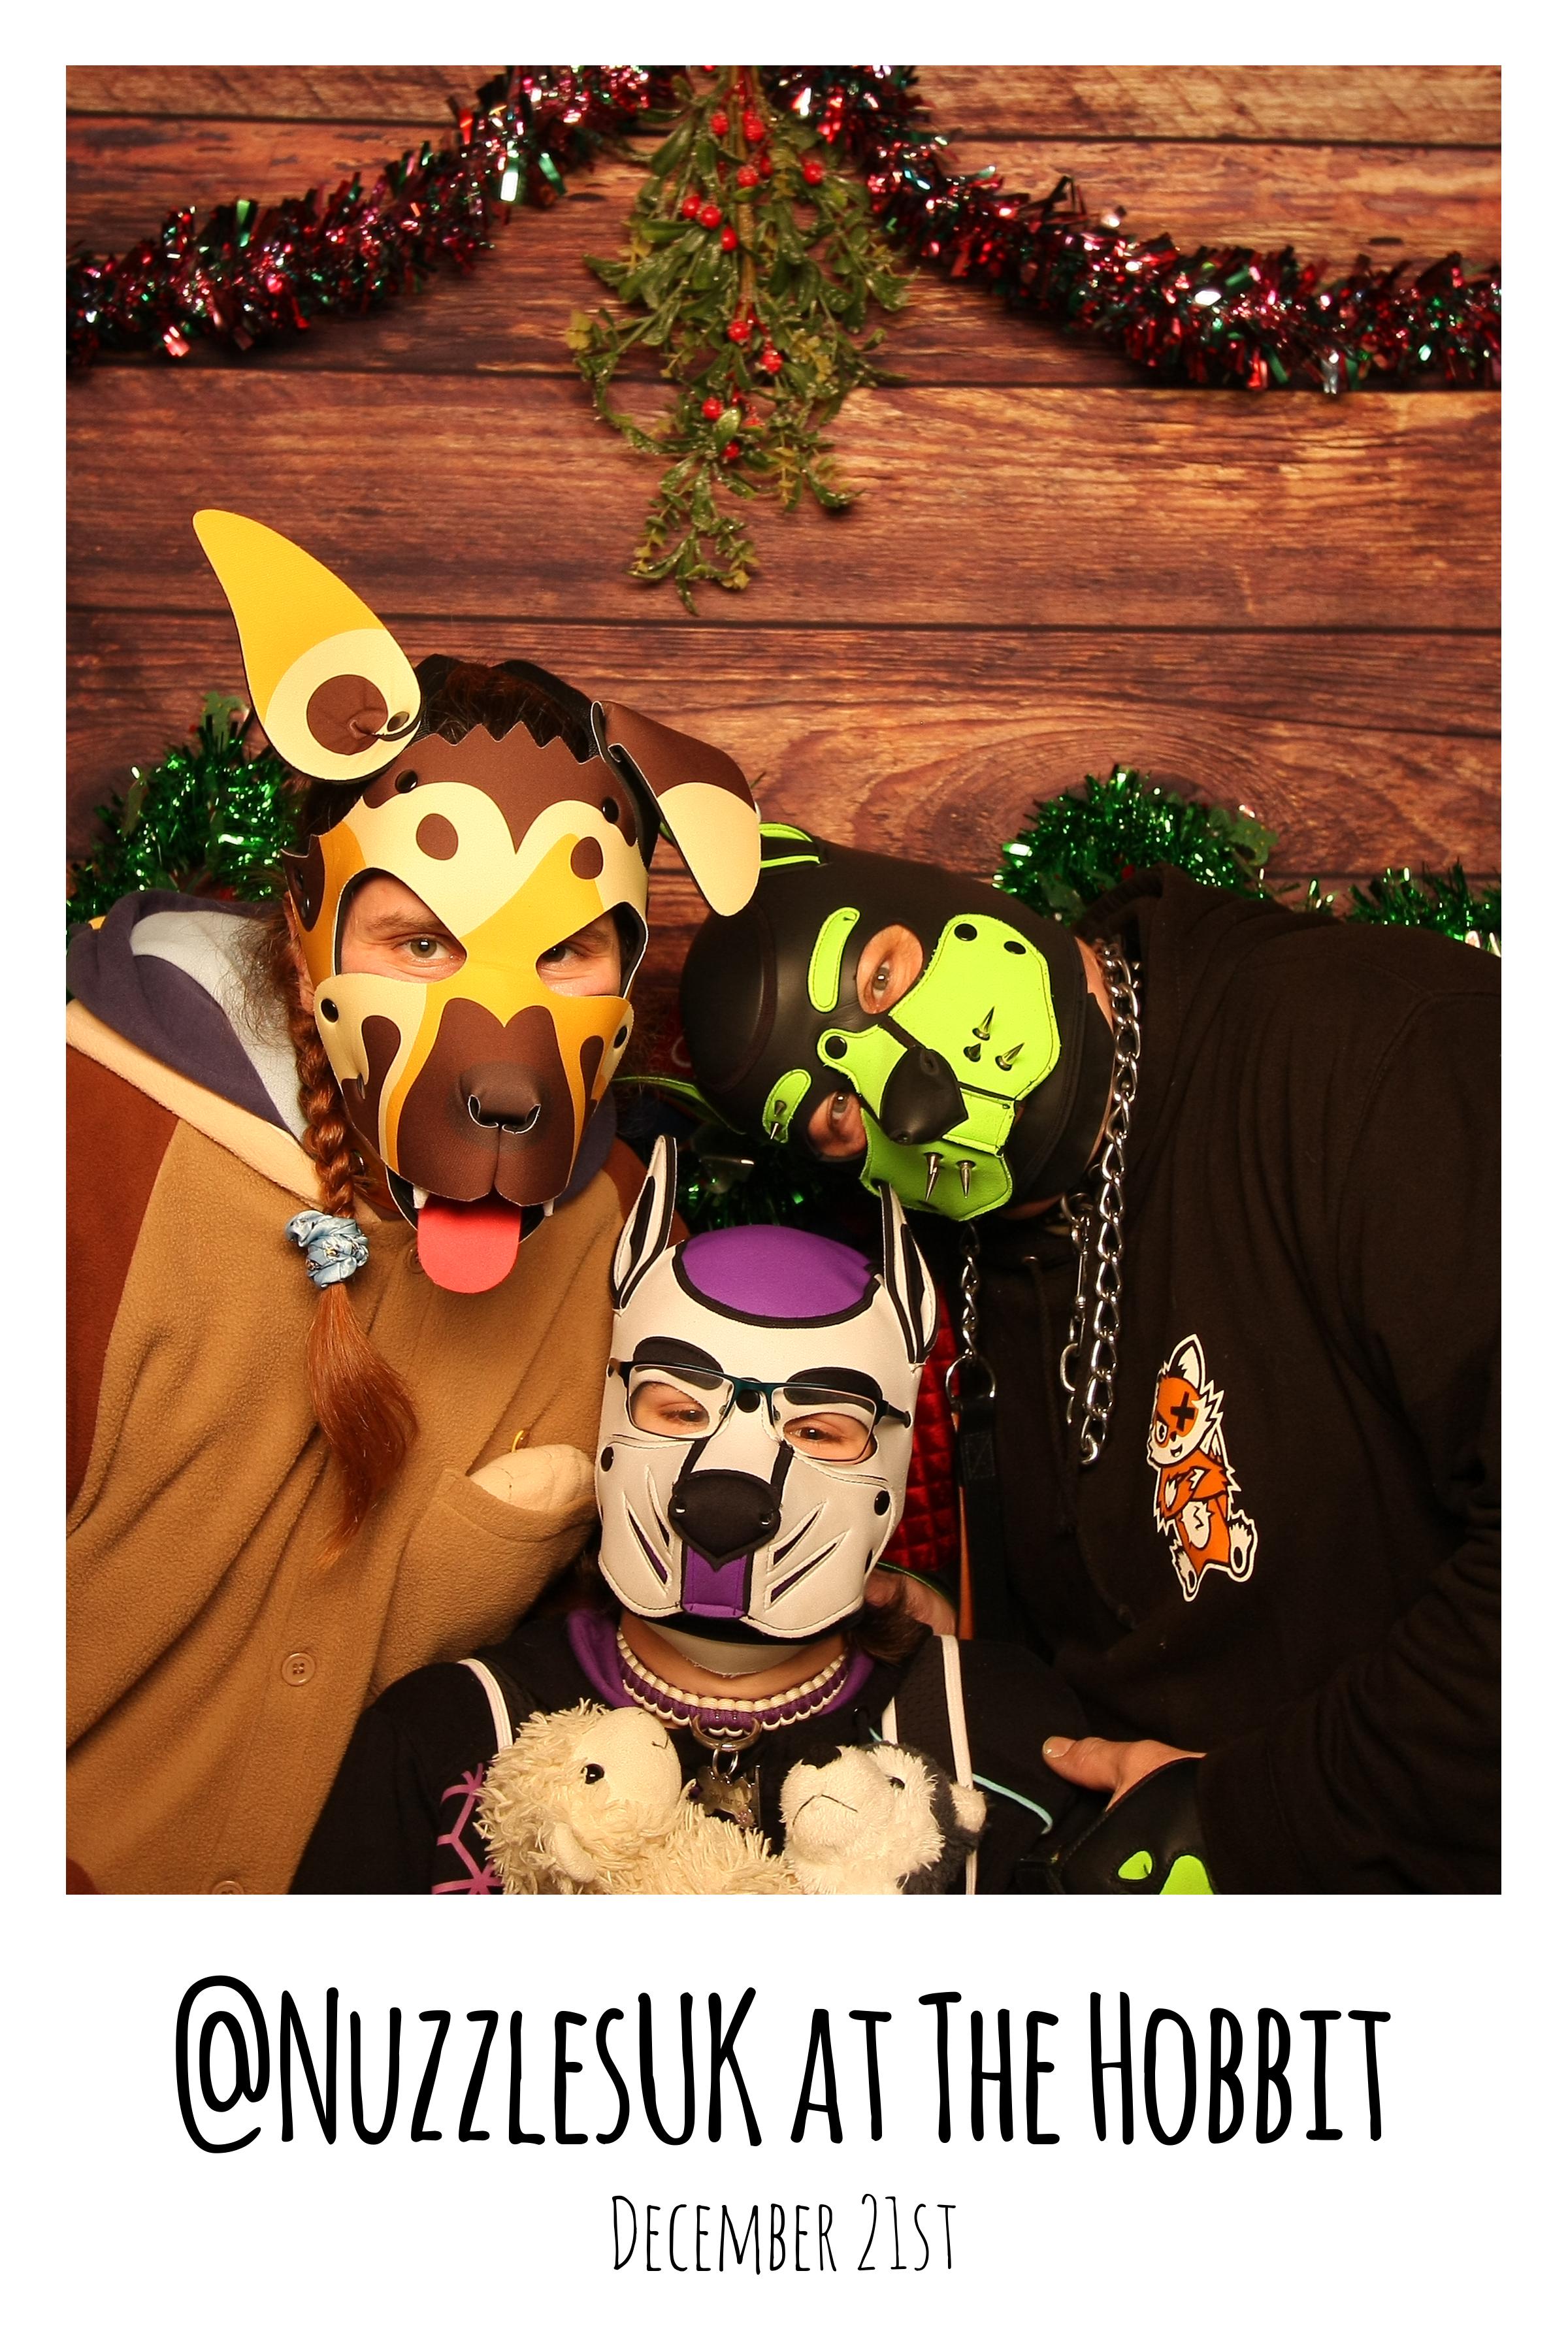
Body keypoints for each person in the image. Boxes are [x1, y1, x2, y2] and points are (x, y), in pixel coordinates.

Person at [67, 512, 760, 1894]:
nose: (496, 1035)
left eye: (566, 952)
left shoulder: (622, 1248)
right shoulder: (90, 1138)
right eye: (421, 940)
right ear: (306, 931)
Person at [675, 825, 1501, 1893]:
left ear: (937, 890)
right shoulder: (969, 1254)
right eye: (836, 1114)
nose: (909, 1094)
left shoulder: (1383, 1044)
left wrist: (1253, 1820)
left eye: (880, 977)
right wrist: (971, 1659)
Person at [293, 1139, 1095, 1893]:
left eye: (816, 1429)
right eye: (681, 1411)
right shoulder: (447, 1736)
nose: (729, 1493)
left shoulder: (1001, 1733)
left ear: (890, 1458)